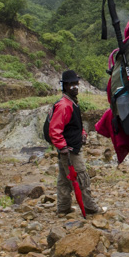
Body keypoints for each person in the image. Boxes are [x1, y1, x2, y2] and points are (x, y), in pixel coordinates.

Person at [49, 70, 102, 216]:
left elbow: (76, 125)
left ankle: (63, 208)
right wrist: (62, 147)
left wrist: (83, 135)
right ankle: (90, 208)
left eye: (76, 84)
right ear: (64, 86)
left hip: (69, 147)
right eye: (71, 84)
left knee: (64, 180)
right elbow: (54, 129)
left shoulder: (71, 102)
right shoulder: (64, 105)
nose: (74, 87)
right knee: (81, 177)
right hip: (70, 150)